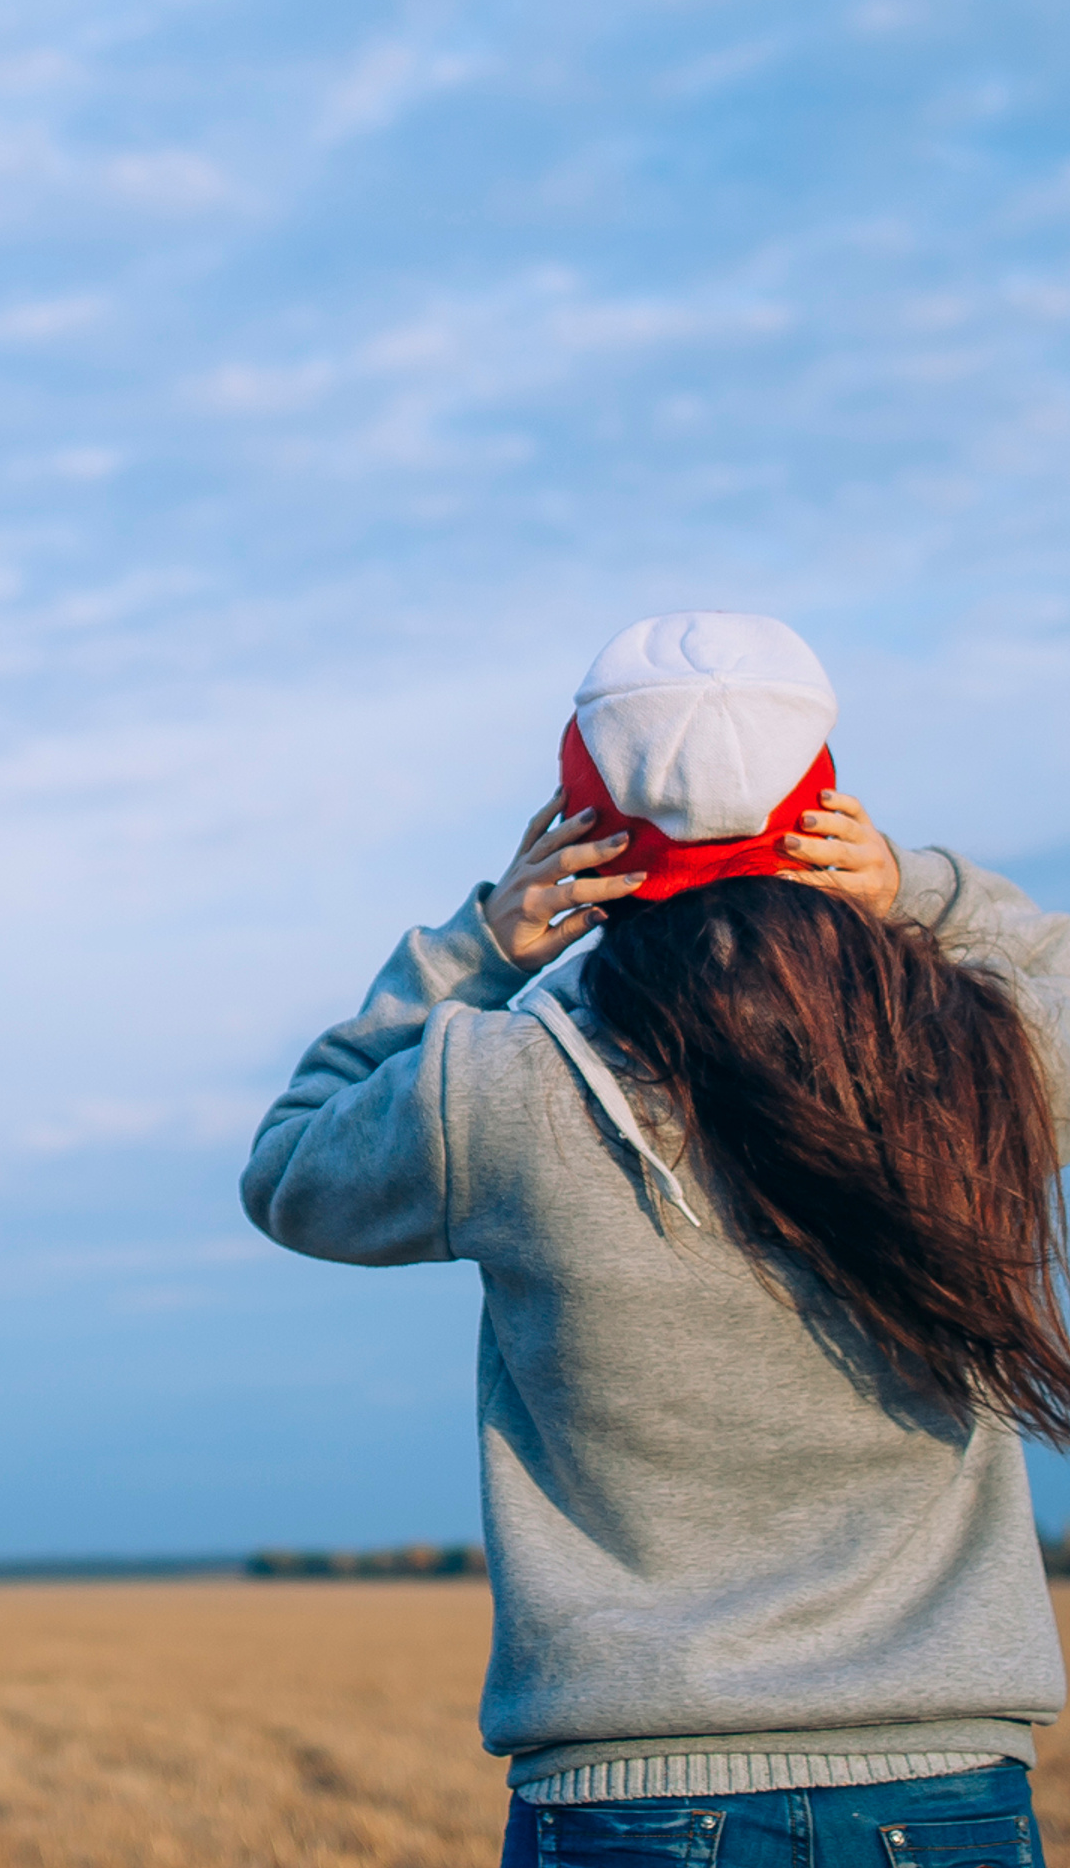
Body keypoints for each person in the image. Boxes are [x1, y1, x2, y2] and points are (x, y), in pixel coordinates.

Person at [242, 612, 1070, 1868]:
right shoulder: (972, 1058)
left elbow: (291, 1170)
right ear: (821, 819)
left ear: (578, 833)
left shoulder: (505, 1087)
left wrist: (474, 952)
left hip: (632, 1796)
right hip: (944, 1786)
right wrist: (929, 891)